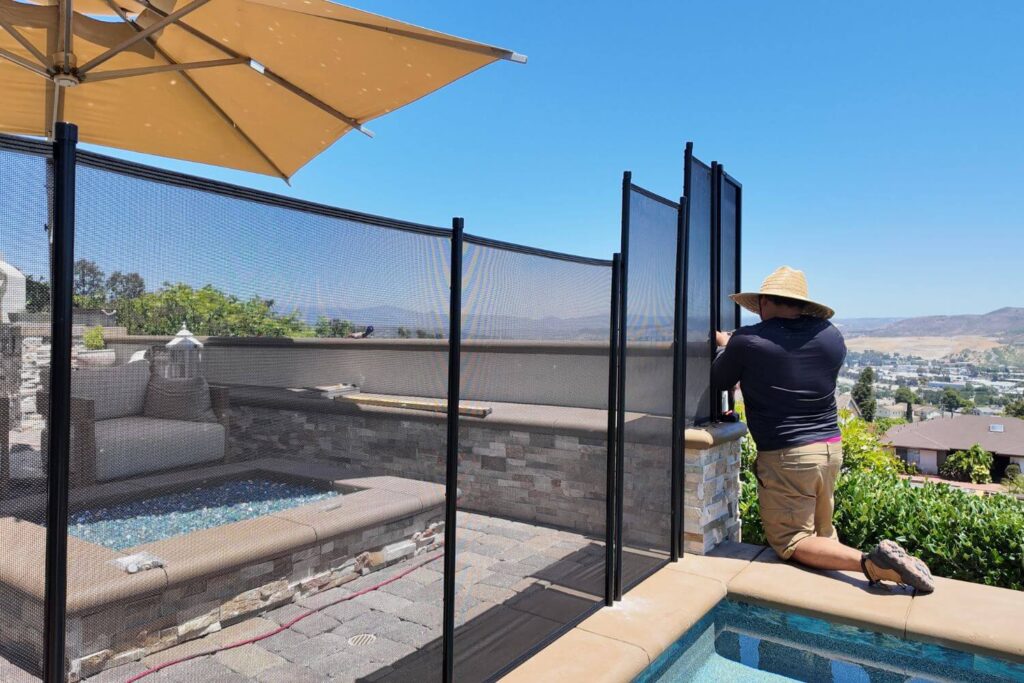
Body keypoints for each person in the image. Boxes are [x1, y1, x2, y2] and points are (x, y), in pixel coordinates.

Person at [713, 266, 934, 593]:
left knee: (791, 541)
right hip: (830, 448)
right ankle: (829, 595)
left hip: (787, 454)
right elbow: (788, 358)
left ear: (763, 302)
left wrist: (726, 346)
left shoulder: (748, 341)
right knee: (821, 533)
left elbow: (718, 379)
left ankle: (871, 564)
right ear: (802, 304)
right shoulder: (831, 337)